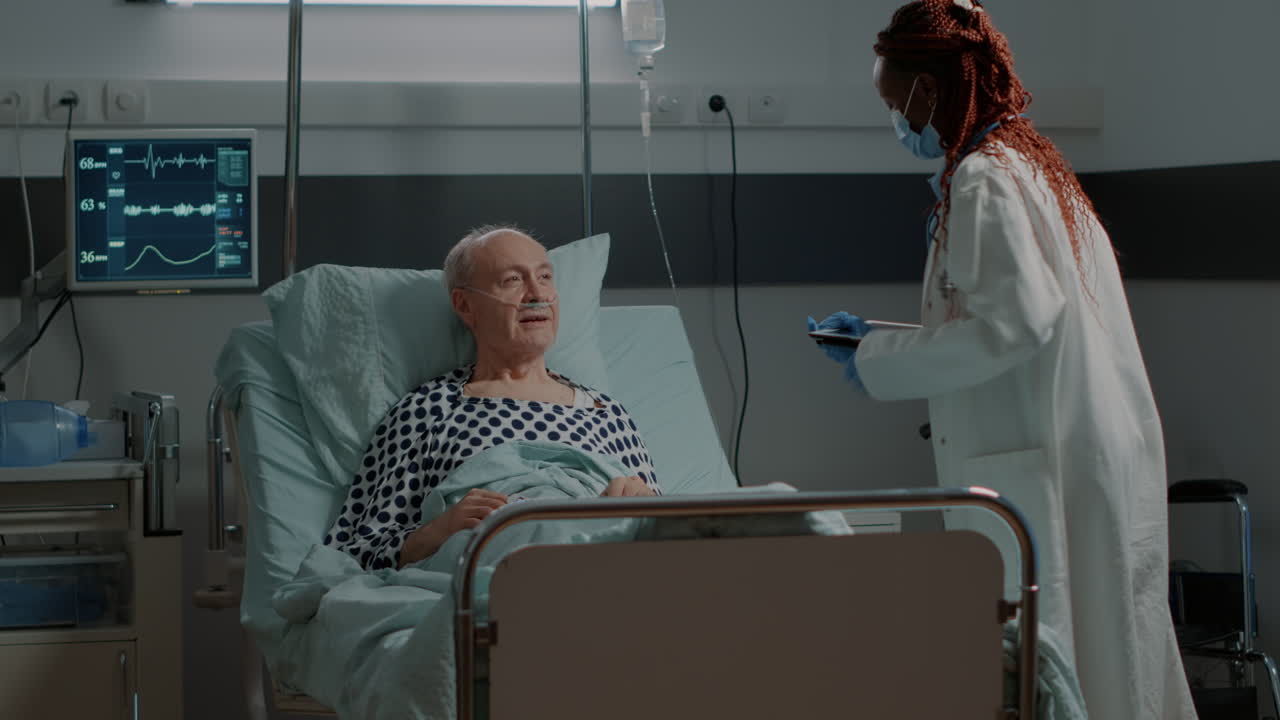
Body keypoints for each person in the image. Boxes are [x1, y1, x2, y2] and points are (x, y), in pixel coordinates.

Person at [808, 2, 1197, 718]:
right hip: (1086, 441)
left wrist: (878, 360)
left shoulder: (985, 178)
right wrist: (881, 338)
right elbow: (1022, 310)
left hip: (1042, 461)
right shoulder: (1033, 164)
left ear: (932, 88)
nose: (897, 121)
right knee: (1116, 657)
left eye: (897, 104)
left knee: (1060, 664)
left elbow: (1014, 325)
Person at [324, 225, 659, 571]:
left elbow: (674, 535)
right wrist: (440, 530)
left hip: (611, 565)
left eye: (544, 277)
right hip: (496, 569)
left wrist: (643, 508)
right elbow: (354, 553)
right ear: (466, 305)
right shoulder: (428, 410)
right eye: (512, 280)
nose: (536, 294)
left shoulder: (608, 415)